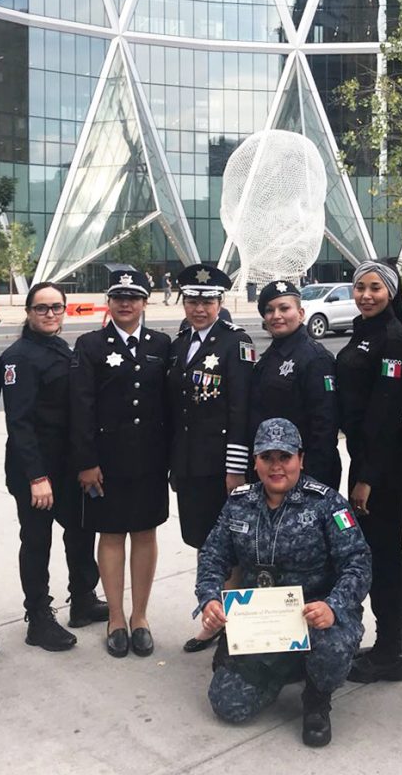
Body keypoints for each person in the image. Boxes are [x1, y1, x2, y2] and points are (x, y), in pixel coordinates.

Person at [196, 418, 371, 748]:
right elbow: (212, 555)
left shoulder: (327, 504)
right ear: (255, 462)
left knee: (331, 648)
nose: (276, 467)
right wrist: (209, 599)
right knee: (228, 704)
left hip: (314, 615)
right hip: (261, 619)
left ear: (300, 460)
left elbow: (358, 563)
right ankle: (283, 668)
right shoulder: (239, 503)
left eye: (284, 457)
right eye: (267, 458)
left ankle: (317, 699)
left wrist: (333, 607)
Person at [0, 282, 108, 653]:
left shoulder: (61, 348)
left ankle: (82, 599)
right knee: (36, 541)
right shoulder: (19, 357)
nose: (50, 314)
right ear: (28, 312)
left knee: (80, 533)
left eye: (56, 307)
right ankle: (38, 618)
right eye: (42, 308)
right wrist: (36, 477)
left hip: (68, 466)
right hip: (37, 471)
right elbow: (20, 423)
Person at [70, 269, 171, 659]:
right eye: (118, 296)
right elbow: (80, 407)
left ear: (145, 302)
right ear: (108, 302)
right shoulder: (90, 345)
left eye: (133, 296)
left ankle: (140, 617)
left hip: (149, 460)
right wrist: (86, 461)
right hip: (105, 464)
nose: (126, 303)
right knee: (111, 536)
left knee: (145, 534)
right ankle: (115, 617)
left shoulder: (161, 344)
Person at [335, 259, 402, 682]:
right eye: (360, 287)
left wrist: (366, 477)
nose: (366, 294)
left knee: (385, 557)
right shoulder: (364, 330)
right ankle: (398, 642)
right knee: (378, 553)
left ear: (390, 292)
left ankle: (389, 653)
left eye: (375, 288)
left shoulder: (393, 339)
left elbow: (385, 415)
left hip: (383, 463)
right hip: (367, 456)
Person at [167, 263, 255, 652]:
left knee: (231, 546)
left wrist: (236, 467)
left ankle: (229, 624)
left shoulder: (236, 342)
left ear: (220, 302)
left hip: (220, 466)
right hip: (187, 464)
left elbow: (242, 409)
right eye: (192, 300)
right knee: (204, 542)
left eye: (207, 301)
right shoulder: (180, 343)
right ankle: (214, 612)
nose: (199, 308)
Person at [249, 280, 341, 488]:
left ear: (301, 313)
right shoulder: (270, 356)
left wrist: (312, 481)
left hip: (303, 474)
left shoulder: (315, 358)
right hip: (274, 473)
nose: (276, 315)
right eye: (269, 310)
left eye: (284, 308)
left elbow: (324, 426)